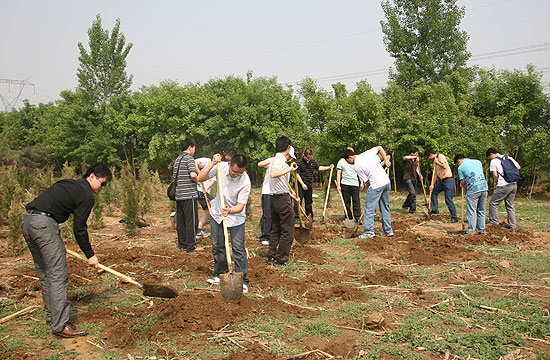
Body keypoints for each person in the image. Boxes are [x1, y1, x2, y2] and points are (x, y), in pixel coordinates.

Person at [21, 162, 112, 338]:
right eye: (103, 183)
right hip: (45, 225)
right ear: (92, 176)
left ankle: (54, 317)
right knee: (57, 274)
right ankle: (61, 325)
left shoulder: (70, 184)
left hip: (28, 222)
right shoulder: (86, 195)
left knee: (45, 273)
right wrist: (90, 255)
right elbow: (79, 228)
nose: (103, 188)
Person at [198, 153, 251, 293]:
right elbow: (200, 178)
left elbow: (240, 206)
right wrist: (212, 164)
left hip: (236, 217)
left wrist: (230, 211)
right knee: (217, 245)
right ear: (229, 164)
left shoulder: (245, 181)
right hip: (217, 214)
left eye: (240, 172)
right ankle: (221, 274)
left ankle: (242, 280)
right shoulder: (220, 168)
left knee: (238, 247)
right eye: (234, 172)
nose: (236, 175)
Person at [266, 136, 300, 266]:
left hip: (275, 198)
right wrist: (290, 169)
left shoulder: (277, 159)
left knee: (276, 229)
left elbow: (280, 182)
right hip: (280, 199)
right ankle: (281, 259)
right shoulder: (279, 160)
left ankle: (271, 256)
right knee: (287, 230)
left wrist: (292, 195)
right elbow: (273, 174)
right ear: (288, 147)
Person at [345, 146, 393, 238]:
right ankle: (388, 231)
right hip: (386, 182)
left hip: (376, 184)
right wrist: (386, 160)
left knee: (369, 209)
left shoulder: (356, 166)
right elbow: (380, 148)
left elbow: (367, 182)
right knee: (385, 208)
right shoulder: (366, 153)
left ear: (350, 157)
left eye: (348, 162)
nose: (349, 164)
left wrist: (369, 189)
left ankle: (369, 232)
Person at [257, 147, 296, 246]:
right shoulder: (274, 160)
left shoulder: (286, 166)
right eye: (291, 157)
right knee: (267, 215)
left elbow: (284, 184)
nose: (292, 160)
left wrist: (291, 194)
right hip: (267, 192)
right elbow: (260, 164)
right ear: (288, 154)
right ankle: (265, 236)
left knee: (276, 218)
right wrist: (271, 161)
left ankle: (274, 237)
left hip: (279, 194)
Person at [173, 139, 199, 252]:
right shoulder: (189, 159)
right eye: (194, 148)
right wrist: (199, 181)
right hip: (189, 194)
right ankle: (191, 246)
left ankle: (182, 244)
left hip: (179, 195)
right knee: (191, 221)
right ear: (190, 147)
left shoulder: (177, 160)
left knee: (181, 220)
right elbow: (193, 174)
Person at [295, 149, 334, 222]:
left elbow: (319, 168)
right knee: (298, 201)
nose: (308, 160)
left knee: (309, 202)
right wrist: (302, 184)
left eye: (310, 158)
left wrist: (328, 167)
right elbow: (297, 174)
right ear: (304, 156)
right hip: (300, 184)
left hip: (309, 184)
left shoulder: (312, 161)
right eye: (307, 158)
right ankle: (296, 218)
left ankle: (310, 217)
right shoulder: (300, 163)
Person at [486, 148, 521, 229]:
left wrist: (496, 183)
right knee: (510, 205)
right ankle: (512, 224)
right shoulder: (509, 158)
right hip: (513, 184)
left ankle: (494, 222)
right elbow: (518, 167)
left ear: (491, 154)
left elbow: (495, 175)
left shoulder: (494, 161)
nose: (490, 159)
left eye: (489, 157)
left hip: (503, 185)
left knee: (493, 203)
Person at [454, 154, 489, 235]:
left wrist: (461, 184)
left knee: (471, 211)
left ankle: (471, 230)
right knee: (481, 210)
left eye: (457, 164)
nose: (458, 165)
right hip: (484, 188)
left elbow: (463, 181)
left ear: (459, 161)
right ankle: (481, 230)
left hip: (473, 190)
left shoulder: (461, 167)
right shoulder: (478, 162)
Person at [424, 148, 458, 223]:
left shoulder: (440, 157)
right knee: (434, 192)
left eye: (428, 157)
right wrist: (432, 184)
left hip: (448, 180)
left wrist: (438, 162)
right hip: (442, 181)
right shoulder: (434, 162)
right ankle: (435, 209)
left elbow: (445, 166)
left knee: (448, 200)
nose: (428, 159)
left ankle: (454, 218)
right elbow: (435, 174)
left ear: (431, 155)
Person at [336, 147, 363, 221]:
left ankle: (357, 218)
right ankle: (348, 217)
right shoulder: (341, 161)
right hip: (345, 184)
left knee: (356, 201)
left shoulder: (356, 161)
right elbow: (339, 173)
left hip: (355, 184)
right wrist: (338, 185)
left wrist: (361, 182)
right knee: (346, 202)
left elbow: (359, 172)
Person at [195, 157, 215, 238]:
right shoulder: (207, 161)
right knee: (214, 205)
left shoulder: (216, 169)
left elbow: (212, 181)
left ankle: (198, 230)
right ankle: (218, 227)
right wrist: (199, 173)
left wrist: (206, 188)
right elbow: (195, 162)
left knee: (208, 212)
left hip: (204, 191)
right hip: (199, 190)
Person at [402, 147, 423, 214]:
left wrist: (420, 175)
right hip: (407, 178)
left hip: (414, 178)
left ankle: (412, 210)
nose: (417, 155)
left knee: (414, 195)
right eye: (416, 153)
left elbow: (417, 168)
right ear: (412, 153)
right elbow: (405, 157)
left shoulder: (416, 160)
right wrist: (413, 157)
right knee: (412, 193)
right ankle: (405, 205)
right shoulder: (407, 159)